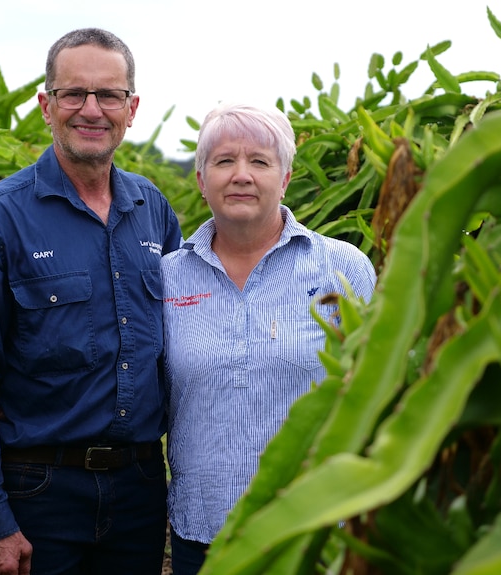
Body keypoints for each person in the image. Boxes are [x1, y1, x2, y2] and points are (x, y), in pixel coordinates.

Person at [0, 27, 182, 575]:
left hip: (140, 487)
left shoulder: (154, 210)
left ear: (131, 108)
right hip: (37, 490)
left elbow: (183, 340)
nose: (91, 110)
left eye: (109, 95)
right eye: (74, 94)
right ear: (47, 105)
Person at [161, 102, 376, 574]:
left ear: (285, 177)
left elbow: (376, 388)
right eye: (223, 161)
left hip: (317, 526)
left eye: (259, 161)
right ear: (201, 180)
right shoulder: (166, 278)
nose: (241, 175)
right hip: (205, 532)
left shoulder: (344, 268)